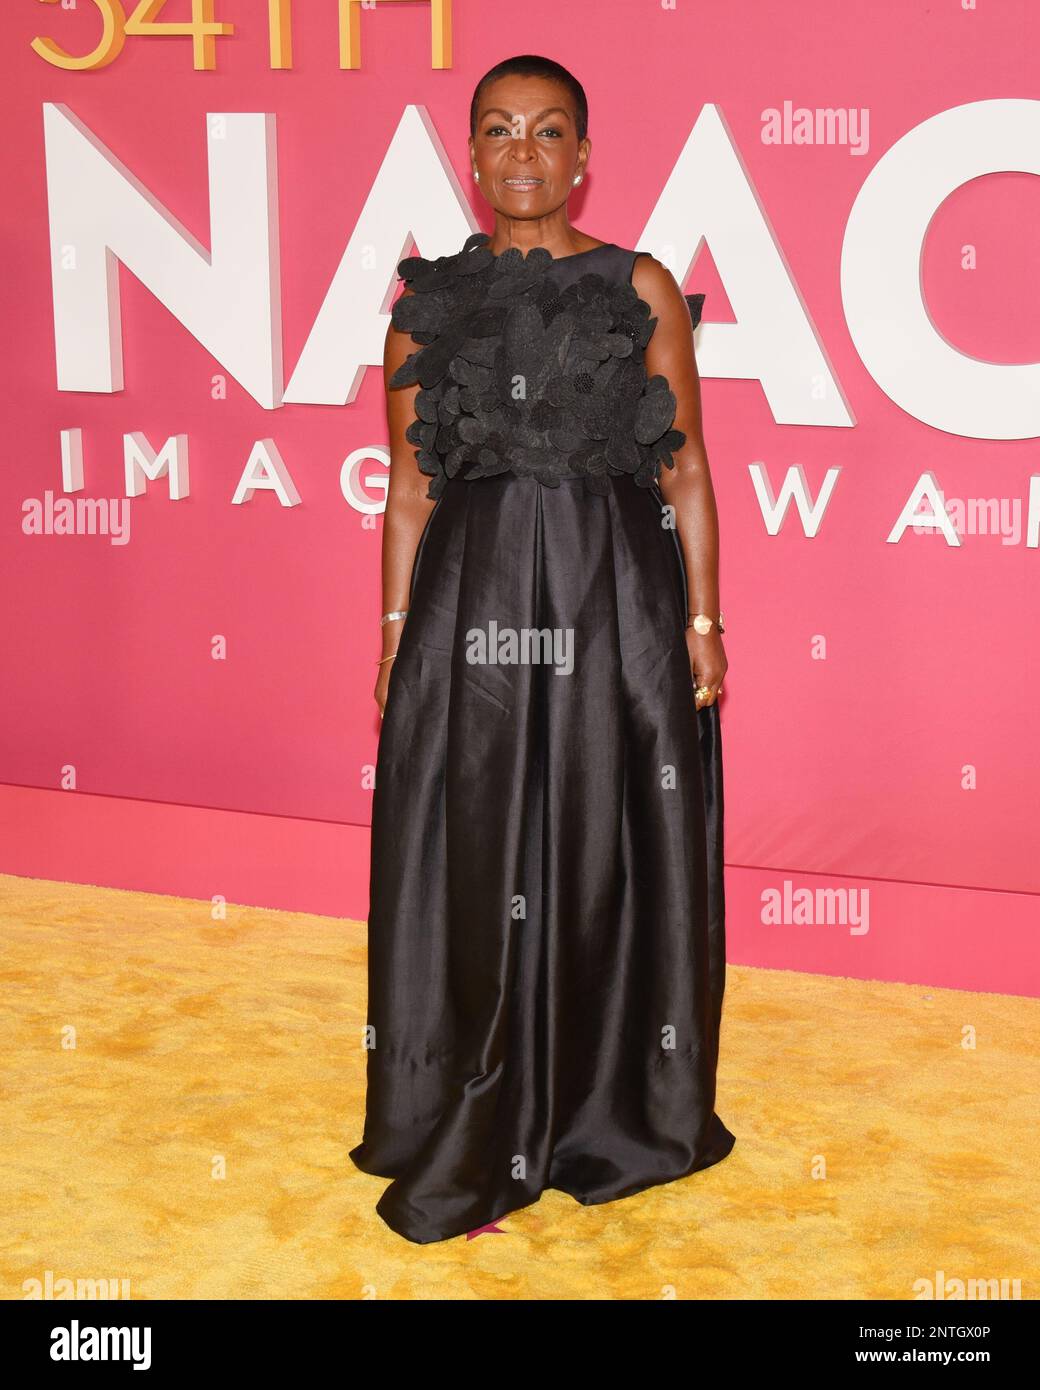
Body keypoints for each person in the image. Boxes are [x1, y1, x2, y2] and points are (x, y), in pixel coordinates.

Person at [349, 53, 736, 1244]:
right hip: (468, 609)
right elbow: (411, 491)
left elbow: (683, 467)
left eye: (547, 130)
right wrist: (394, 629)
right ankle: (465, 1087)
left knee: (602, 839)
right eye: (499, 131)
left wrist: (702, 618)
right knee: (472, 843)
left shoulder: (639, 283)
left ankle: (601, 1105)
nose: (522, 151)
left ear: (581, 155)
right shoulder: (426, 301)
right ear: (471, 158)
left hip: (611, 600)